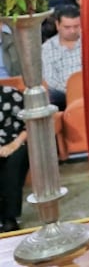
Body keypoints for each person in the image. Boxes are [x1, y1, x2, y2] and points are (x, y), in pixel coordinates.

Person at [40, 5, 83, 111]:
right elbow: (49, 79)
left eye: (76, 26)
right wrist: (71, 90)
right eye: (67, 27)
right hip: (61, 95)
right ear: (58, 25)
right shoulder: (47, 48)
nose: (72, 31)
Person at [0, 85, 28, 233]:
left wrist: (13, 145)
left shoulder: (12, 94)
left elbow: (29, 124)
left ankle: (10, 218)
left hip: (17, 142)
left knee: (14, 163)